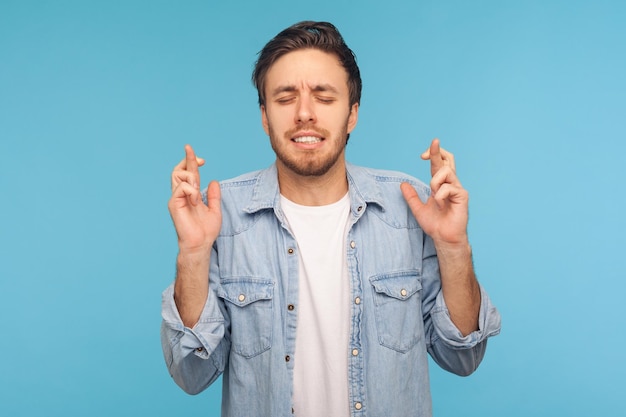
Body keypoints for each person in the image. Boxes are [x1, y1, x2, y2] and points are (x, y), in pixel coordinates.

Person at [161, 21, 501, 417]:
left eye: (324, 97)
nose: (305, 114)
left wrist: (454, 247)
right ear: (265, 117)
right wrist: (193, 252)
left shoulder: (412, 209)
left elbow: (463, 356)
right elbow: (191, 374)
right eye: (285, 98)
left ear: (352, 114)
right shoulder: (220, 216)